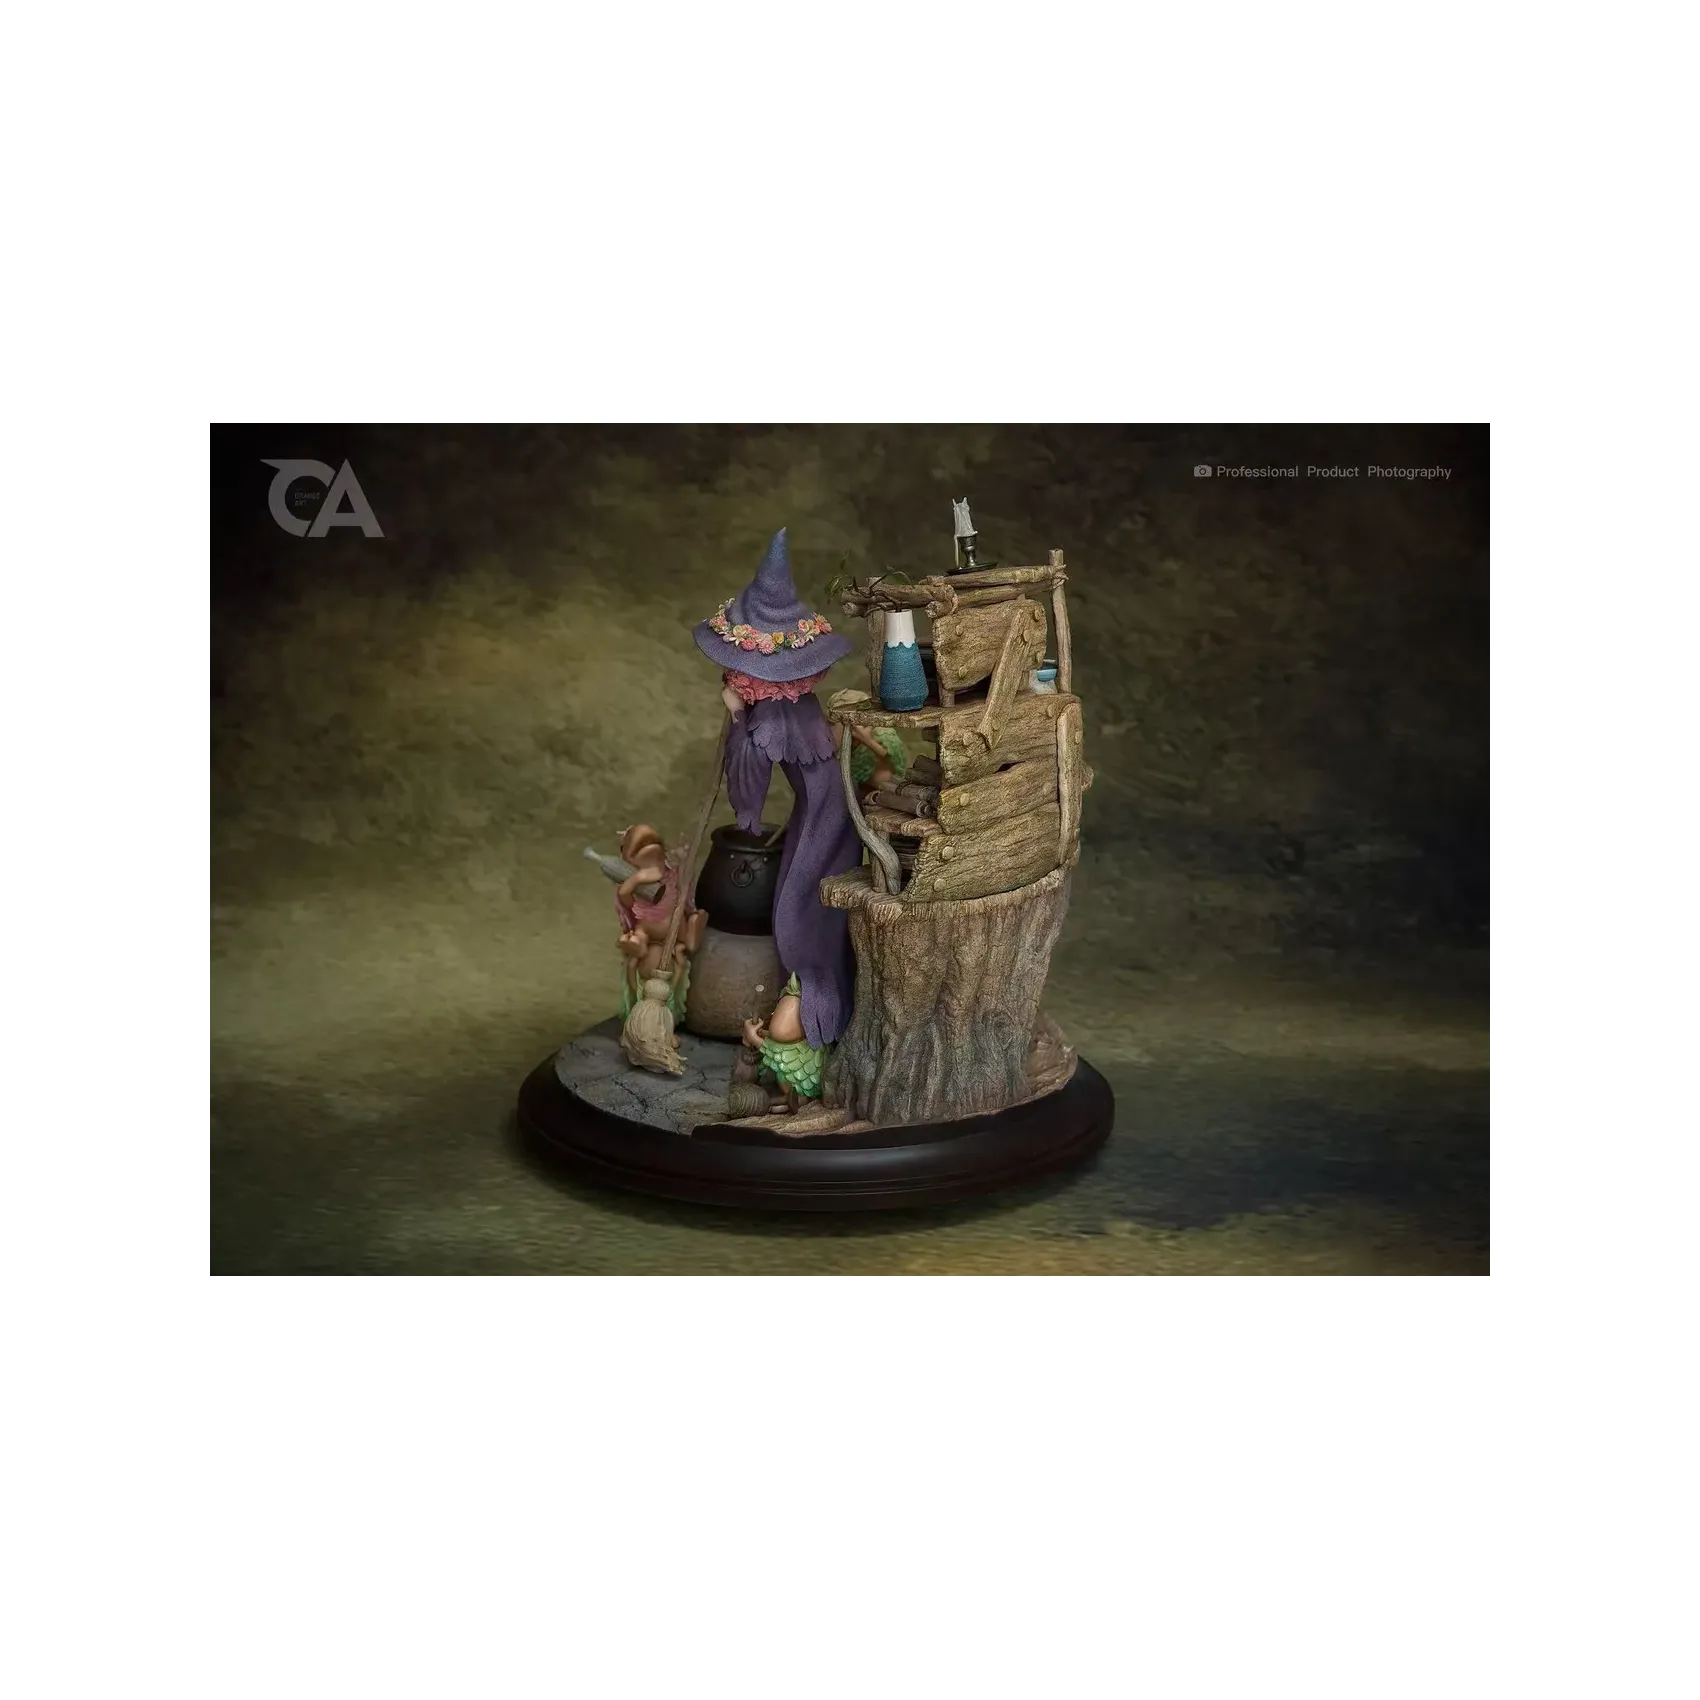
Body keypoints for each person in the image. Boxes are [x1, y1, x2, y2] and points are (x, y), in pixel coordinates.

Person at [692, 528, 861, 1049]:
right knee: (796, 894)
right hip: (815, 807)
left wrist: (737, 714)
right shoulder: (790, 703)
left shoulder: (775, 713)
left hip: (828, 812)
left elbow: (750, 771)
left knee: (800, 909)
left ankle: (815, 1006)